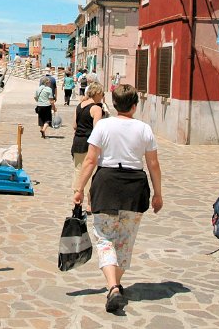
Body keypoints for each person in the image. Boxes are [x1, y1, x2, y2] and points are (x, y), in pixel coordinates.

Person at [73, 84, 163, 313]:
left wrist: (79, 188)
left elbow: (91, 160)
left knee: (105, 239)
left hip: (107, 184)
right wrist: (158, 193)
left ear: (113, 104)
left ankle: (113, 286)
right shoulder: (144, 129)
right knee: (125, 240)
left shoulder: (103, 126)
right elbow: (153, 163)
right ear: (135, 105)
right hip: (134, 188)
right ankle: (115, 285)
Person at [71, 82, 105, 212]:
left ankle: (77, 199)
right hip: (90, 143)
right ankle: (90, 204)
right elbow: (98, 129)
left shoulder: (80, 105)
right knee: (91, 173)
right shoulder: (96, 109)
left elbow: (74, 125)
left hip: (77, 142)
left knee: (78, 172)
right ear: (97, 93)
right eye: (102, 94)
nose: (102, 96)